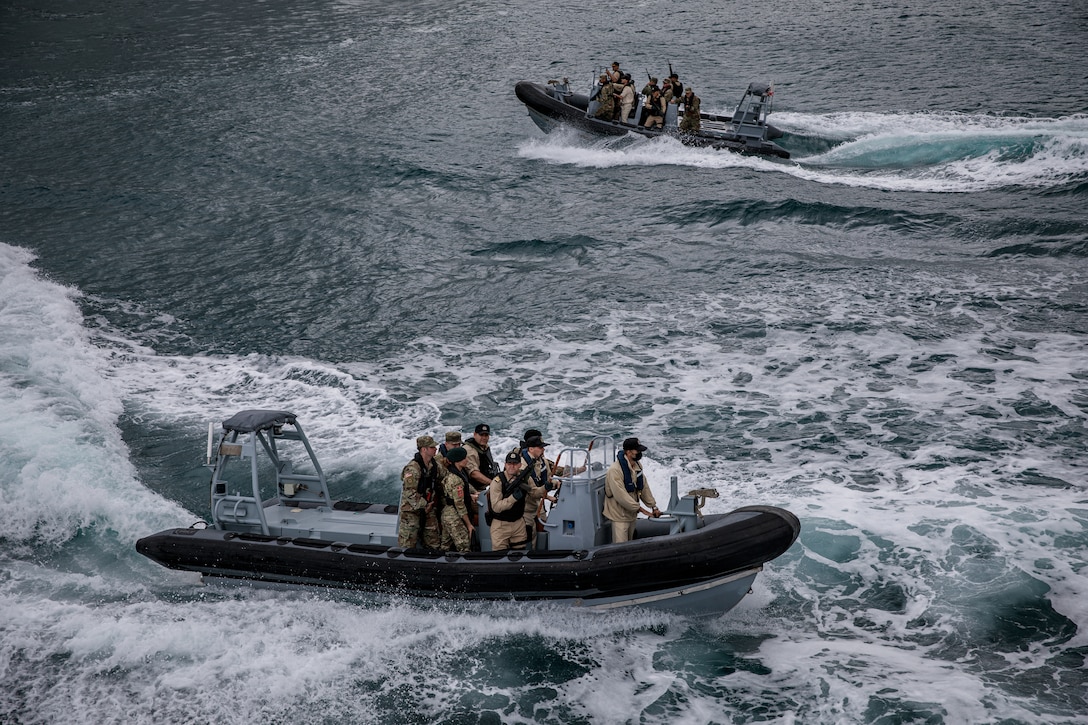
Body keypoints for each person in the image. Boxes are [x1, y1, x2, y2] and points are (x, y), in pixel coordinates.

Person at [603, 437, 661, 543]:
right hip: (620, 515)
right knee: (621, 546)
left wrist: (653, 506)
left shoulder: (637, 466)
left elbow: (644, 487)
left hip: (631, 514)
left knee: (630, 543)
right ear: (628, 452)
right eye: (637, 450)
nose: (639, 453)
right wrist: (642, 510)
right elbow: (621, 496)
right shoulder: (615, 470)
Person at [397, 435, 442, 549]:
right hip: (411, 511)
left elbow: (445, 476)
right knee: (407, 545)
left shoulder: (433, 465)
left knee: (434, 541)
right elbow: (410, 493)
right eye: (432, 447)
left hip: (428, 508)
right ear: (424, 449)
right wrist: (425, 505)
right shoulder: (412, 469)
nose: (435, 449)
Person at [487, 450, 531, 551]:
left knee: (520, 555)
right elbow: (496, 507)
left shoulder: (524, 478)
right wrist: (513, 498)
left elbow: (534, 492)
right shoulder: (497, 481)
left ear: (520, 465)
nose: (512, 466)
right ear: (505, 465)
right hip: (501, 525)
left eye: (515, 464)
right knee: (500, 558)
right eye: (509, 463)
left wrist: (546, 488)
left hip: (518, 523)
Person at [439, 446, 476, 552]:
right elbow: (459, 504)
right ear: (458, 461)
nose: (467, 460)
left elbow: (466, 485)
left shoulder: (457, 473)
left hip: (449, 513)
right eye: (464, 458)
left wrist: (474, 493)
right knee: (464, 545)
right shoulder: (455, 480)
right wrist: (469, 525)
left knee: (446, 545)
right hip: (453, 516)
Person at [463, 422, 498, 491]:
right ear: (475, 435)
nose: (484, 438)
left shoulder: (484, 447)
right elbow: (474, 474)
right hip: (472, 489)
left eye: (486, 435)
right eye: (481, 435)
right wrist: (493, 483)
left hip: (483, 486)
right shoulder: (469, 450)